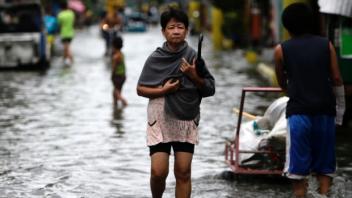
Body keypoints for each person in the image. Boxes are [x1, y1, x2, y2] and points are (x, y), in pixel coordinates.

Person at [136, 8, 215, 198]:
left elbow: (209, 89)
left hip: (186, 118)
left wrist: (193, 75)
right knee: (158, 172)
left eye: (180, 27)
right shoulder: (155, 58)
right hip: (160, 118)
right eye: (171, 27)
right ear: (163, 31)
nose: (176, 31)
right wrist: (164, 90)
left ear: (187, 30)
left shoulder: (194, 57)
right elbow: (140, 89)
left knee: (183, 172)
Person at [274, 3, 345, 197]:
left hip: (298, 114)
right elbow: (337, 79)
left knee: (298, 172)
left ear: (287, 27)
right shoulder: (326, 45)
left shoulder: (281, 50)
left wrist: (291, 89)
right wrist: (340, 111)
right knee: (325, 167)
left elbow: (282, 82)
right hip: (325, 112)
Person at [111, 36, 127, 108]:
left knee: (116, 93)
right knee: (117, 92)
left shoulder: (115, 56)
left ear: (114, 46)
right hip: (123, 76)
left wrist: (112, 76)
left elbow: (113, 68)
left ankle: (124, 102)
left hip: (117, 76)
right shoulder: (121, 54)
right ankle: (116, 107)